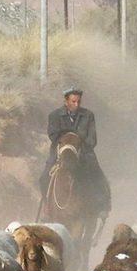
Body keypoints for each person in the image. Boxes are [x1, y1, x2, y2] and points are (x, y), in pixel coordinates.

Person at [40, 87, 111, 217]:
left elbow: (92, 139)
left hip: (83, 153)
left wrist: (80, 142)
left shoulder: (88, 115)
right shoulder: (55, 116)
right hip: (60, 153)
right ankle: (47, 206)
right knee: (44, 177)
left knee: (97, 174)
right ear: (66, 101)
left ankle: (102, 206)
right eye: (73, 101)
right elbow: (53, 136)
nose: (76, 105)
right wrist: (69, 138)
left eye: (78, 101)